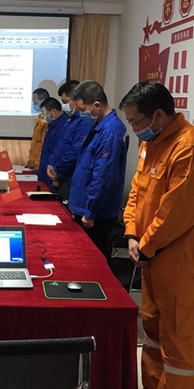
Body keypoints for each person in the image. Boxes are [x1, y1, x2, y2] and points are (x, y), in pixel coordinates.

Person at [120, 81, 194, 389]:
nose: (134, 129)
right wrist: (131, 234)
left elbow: (177, 212)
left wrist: (146, 247)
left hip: (179, 265)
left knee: (177, 346)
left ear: (158, 115)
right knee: (152, 336)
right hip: (150, 259)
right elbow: (137, 192)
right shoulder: (151, 143)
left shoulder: (190, 147)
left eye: (136, 122)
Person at [67, 81, 128, 257]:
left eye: (82, 109)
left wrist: (90, 211)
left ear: (96, 105)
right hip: (86, 207)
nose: (80, 114)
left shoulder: (111, 131)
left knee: (93, 260)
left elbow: (104, 176)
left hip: (96, 214)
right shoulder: (99, 126)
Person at [46, 80, 91, 204]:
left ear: (76, 99)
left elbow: (75, 150)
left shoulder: (84, 121)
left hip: (70, 175)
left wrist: (57, 169)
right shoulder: (71, 119)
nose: (64, 106)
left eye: (65, 102)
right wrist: (51, 164)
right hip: (62, 174)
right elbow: (60, 145)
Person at [37, 97, 68, 190]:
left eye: (44, 113)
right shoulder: (53, 124)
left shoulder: (64, 125)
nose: (44, 116)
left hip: (53, 174)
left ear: (53, 111)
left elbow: (60, 151)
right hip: (46, 172)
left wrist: (57, 175)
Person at [27, 88, 50, 169]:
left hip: (39, 165)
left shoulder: (46, 121)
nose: (34, 104)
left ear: (42, 101)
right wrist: (31, 160)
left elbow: (44, 145)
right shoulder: (40, 117)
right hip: (34, 164)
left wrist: (38, 163)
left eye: (35, 102)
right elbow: (35, 143)